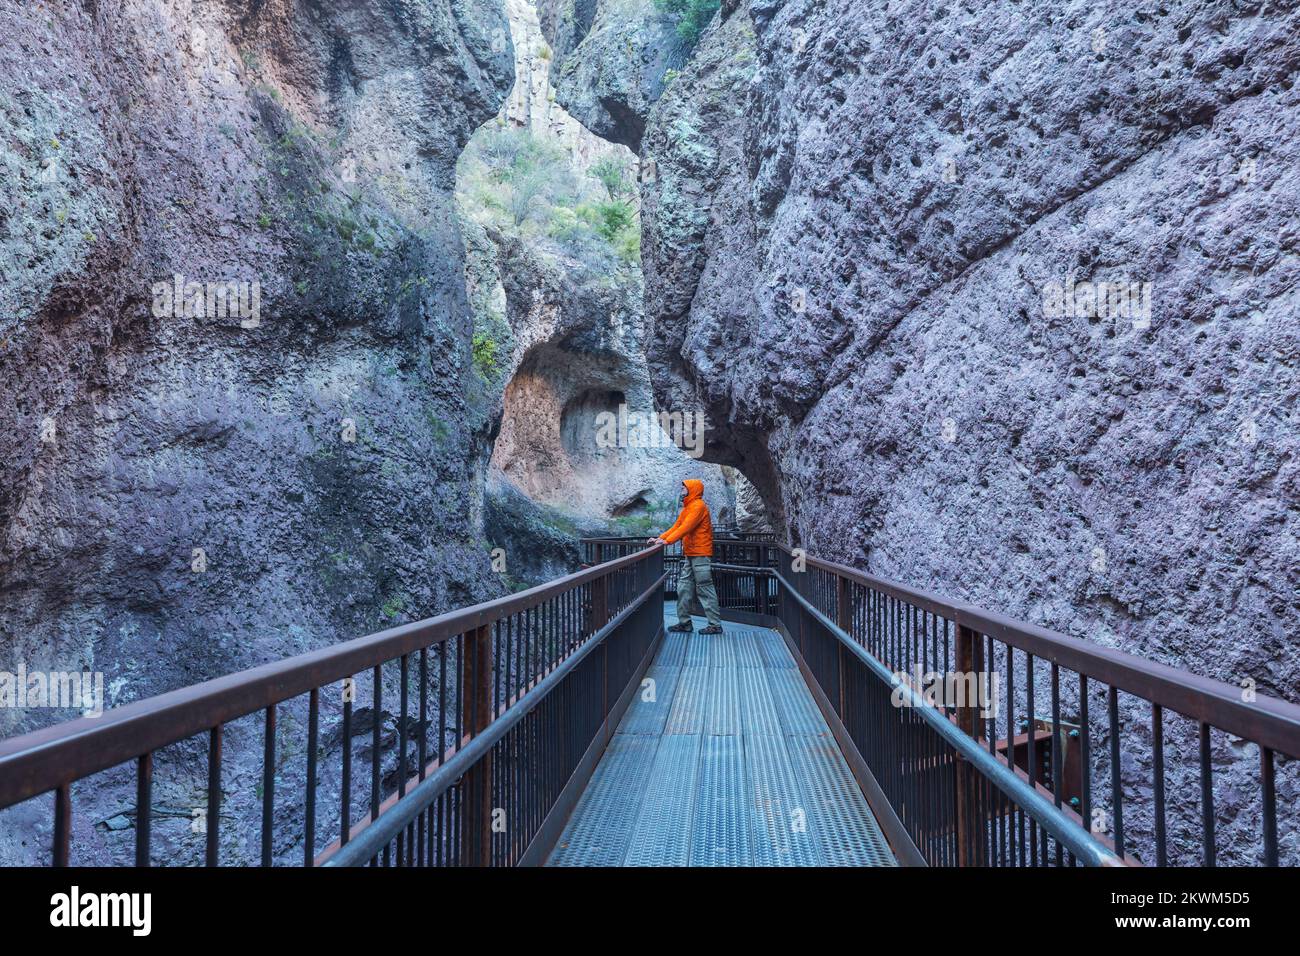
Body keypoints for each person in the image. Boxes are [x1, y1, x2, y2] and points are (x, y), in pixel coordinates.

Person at [648, 479, 723, 635]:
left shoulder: (698, 506)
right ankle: (685, 623)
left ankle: (715, 625)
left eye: (685, 486)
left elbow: (686, 527)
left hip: (700, 554)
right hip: (691, 553)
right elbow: (677, 526)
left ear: (692, 489)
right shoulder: (688, 507)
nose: (682, 488)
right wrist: (660, 538)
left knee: (704, 587)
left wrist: (667, 541)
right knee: (684, 587)